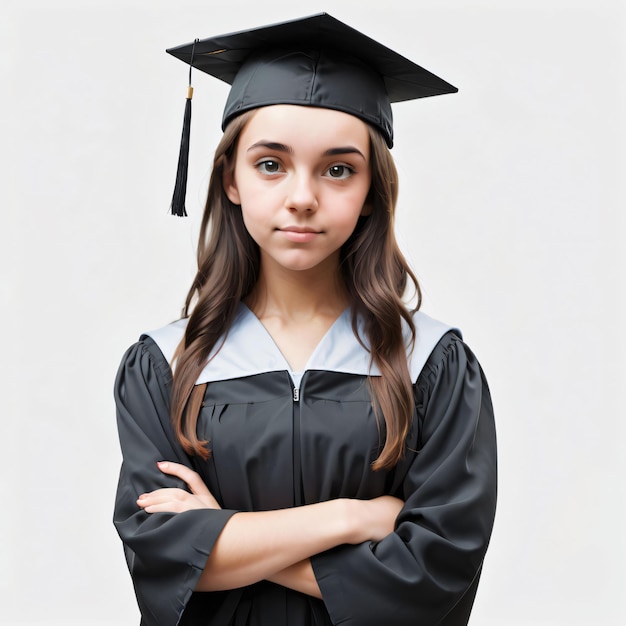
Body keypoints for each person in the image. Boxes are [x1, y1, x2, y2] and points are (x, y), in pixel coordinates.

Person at [113, 13, 497, 626]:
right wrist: (353, 518)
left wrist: (223, 538)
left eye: (338, 169)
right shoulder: (166, 363)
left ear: (372, 190)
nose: (302, 196)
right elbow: (160, 554)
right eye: (270, 163)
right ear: (230, 179)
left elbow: (435, 573)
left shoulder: (431, 361)